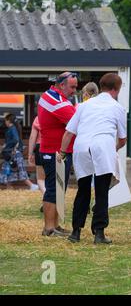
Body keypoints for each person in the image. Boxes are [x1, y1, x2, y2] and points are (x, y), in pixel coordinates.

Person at [58, 73, 127, 244]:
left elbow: (68, 132)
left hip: (81, 147)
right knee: (102, 191)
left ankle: (75, 232)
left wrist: (62, 152)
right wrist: (114, 149)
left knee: (83, 190)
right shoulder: (117, 107)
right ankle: (99, 233)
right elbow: (122, 139)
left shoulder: (83, 106)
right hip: (103, 146)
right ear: (116, 89)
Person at [38, 71, 77, 237]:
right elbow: (77, 120)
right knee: (54, 190)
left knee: (59, 189)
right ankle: (49, 228)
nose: (75, 90)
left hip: (59, 151)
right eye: (72, 87)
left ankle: (55, 225)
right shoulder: (56, 101)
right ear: (61, 85)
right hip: (54, 152)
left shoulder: (51, 96)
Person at [0, 113, 39, 190]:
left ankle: (31, 186)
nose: (5, 122)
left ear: (8, 121)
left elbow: (15, 140)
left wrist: (7, 147)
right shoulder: (12, 129)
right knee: (9, 170)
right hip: (12, 153)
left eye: (5, 120)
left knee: (17, 170)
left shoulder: (12, 129)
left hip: (14, 153)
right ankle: (9, 187)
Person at [28, 116, 46, 212]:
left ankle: (47, 198)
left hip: (41, 148)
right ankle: (51, 200)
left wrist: (30, 153)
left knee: (40, 179)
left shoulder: (38, 118)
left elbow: (32, 137)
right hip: (56, 148)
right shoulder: (57, 114)